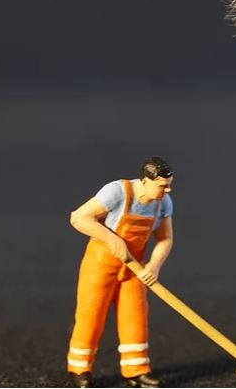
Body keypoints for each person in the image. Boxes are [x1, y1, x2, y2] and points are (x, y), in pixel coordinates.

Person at [66, 157, 174, 388]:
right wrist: (111, 239)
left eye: (169, 185)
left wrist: (153, 267)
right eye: (163, 185)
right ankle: (80, 368)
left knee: (135, 317)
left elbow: (165, 239)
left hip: (134, 270)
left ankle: (136, 370)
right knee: (90, 315)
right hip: (100, 265)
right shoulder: (117, 192)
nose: (167, 189)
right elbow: (79, 217)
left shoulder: (163, 203)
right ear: (145, 181)